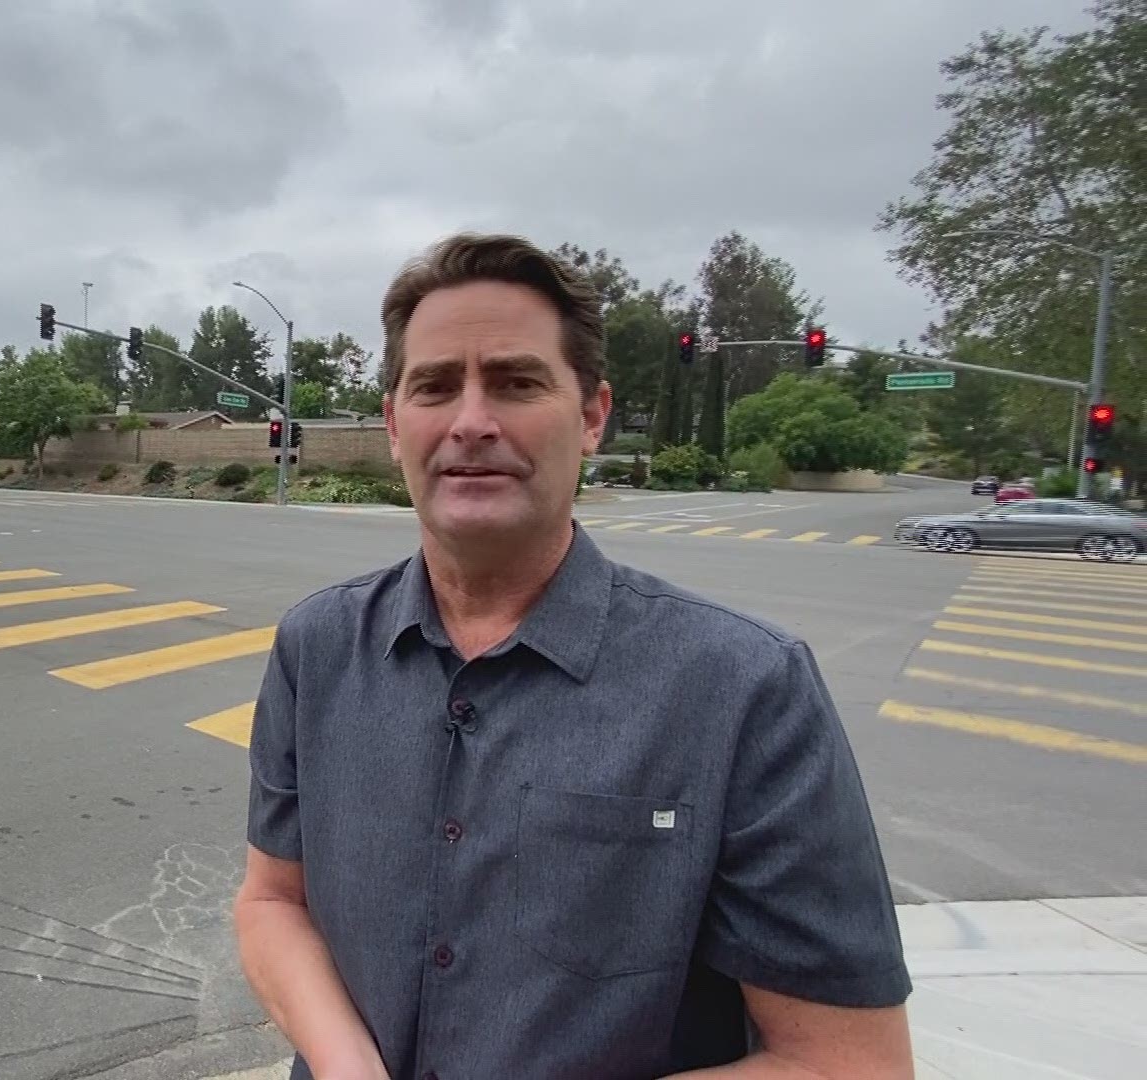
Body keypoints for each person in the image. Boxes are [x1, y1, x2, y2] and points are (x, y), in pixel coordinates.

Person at [232, 233, 914, 1079]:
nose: (471, 421)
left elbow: (847, 1064)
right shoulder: (318, 647)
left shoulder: (743, 689)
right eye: (436, 386)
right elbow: (272, 901)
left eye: (517, 383)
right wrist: (347, 1066)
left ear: (592, 416)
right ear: (394, 423)